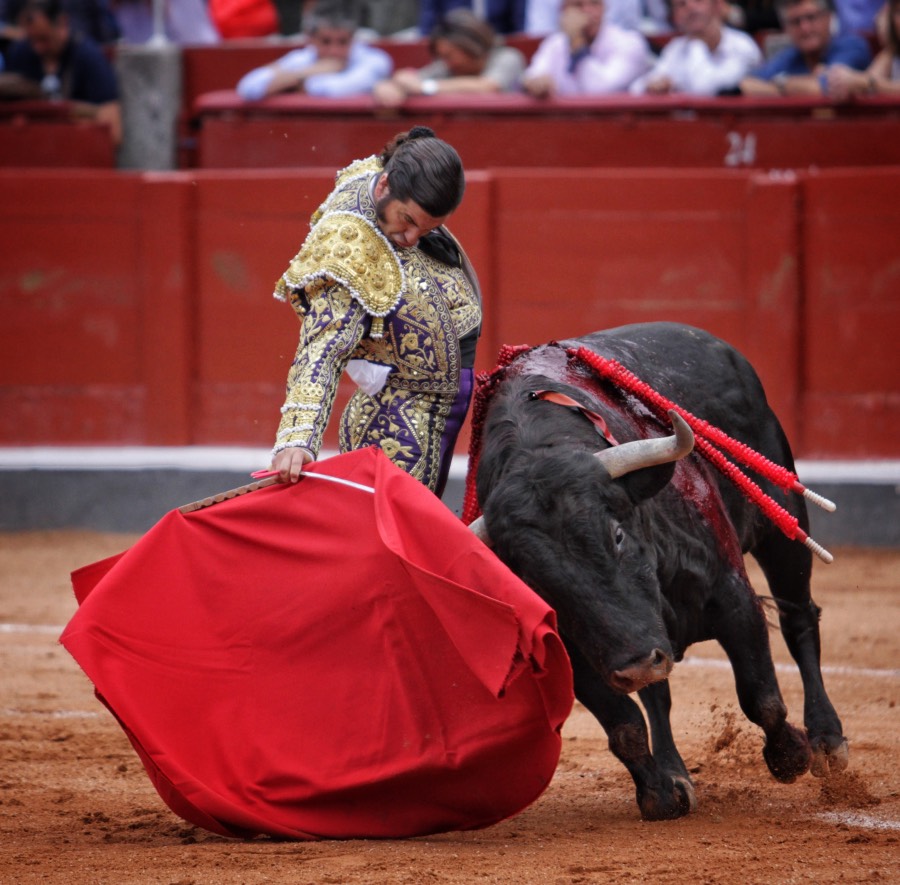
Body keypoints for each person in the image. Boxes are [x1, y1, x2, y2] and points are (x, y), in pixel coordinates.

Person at [270, 127, 482, 498]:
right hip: (399, 419)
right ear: (383, 187)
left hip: (430, 406)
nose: (413, 239)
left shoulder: (389, 180)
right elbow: (322, 347)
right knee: (389, 539)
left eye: (429, 229)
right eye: (408, 220)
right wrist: (297, 436)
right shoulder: (347, 245)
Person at [0, 0, 120, 142]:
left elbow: (114, 131)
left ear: (62, 24)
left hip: (75, 150)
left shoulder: (89, 58)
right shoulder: (20, 54)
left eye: (44, 39)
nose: (38, 48)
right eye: (32, 40)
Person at [372, 8, 525, 106]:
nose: (446, 62)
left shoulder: (508, 56)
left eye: (449, 55)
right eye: (441, 56)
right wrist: (391, 85)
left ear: (471, 46)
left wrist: (426, 87)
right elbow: (411, 79)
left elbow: (489, 86)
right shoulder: (446, 66)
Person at [236, 11, 392, 100]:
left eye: (342, 42)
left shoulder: (374, 59)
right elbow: (248, 87)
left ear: (353, 40)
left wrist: (292, 83)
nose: (334, 50)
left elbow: (335, 91)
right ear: (312, 40)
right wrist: (309, 72)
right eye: (326, 41)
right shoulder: (303, 58)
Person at [739, 0, 871, 95]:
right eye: (796, 22)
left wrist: (781, 83)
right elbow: (745, 84)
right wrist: (791, 85)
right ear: (786, 28)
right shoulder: (791, 56)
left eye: (811, 17)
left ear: (829, 17)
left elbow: (825, 88)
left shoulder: (852, 46)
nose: (805, 28)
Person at [521, 0, 651, 96]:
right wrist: (536, 84)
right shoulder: (554, 43)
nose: (587, 12)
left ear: (604, 8)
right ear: (563, 11)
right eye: (578, 5)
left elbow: (601, 92)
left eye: (594, 4)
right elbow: (532, 77)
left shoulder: (629, 42)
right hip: (564, 127)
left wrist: (577, 44)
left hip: (617, 128)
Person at [631, 0, 762, 94]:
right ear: (675, 17)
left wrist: (697, 45)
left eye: (698, 1)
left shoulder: (743, 45)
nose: (690, 7)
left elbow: (707, 91)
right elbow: (636, 89)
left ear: (718, 6)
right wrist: (653, 86)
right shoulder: (675, 48)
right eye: (681, 4)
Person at [827, 0, 900, 94]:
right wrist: (840, 79)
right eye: (898, 12)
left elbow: (864, 82)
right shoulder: (890, 54)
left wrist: (862, 82)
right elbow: (866, 79)